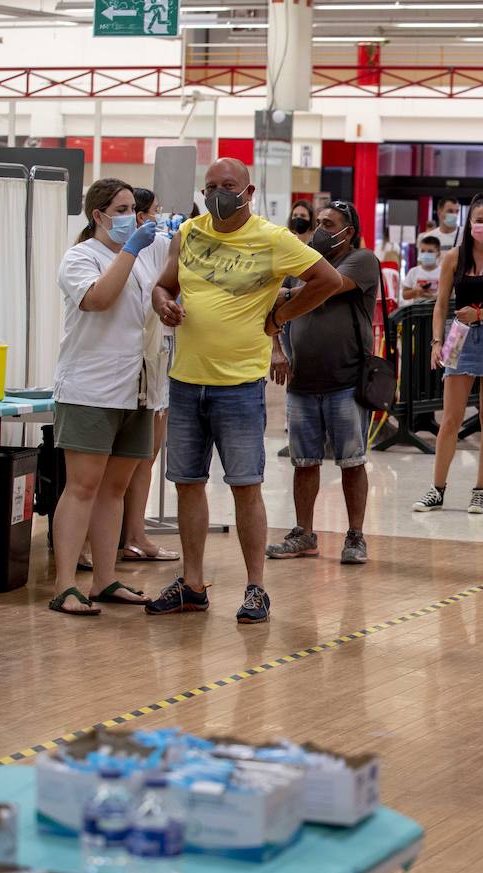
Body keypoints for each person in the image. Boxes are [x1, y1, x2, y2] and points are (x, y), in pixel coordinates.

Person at [147, 158, 343, 624]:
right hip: (186, 379)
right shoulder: (189, 233)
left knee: (244, 486)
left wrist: (279, 318)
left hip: (238, 385)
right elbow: (164, 285)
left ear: (248, 191)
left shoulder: (272, 239)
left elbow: (327, 280)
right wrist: (163, 305)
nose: (218, 193)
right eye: (211, 186)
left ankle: (256, 588)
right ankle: (192, 584)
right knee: (188, 484)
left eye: (228, 186)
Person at [48, 179, 162, 615]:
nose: (131, 216)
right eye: (121, 209)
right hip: (89, 388)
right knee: (83, 487)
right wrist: (132, 248)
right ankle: (64, 585)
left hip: (135, 389)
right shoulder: (80, 258)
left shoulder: (139, 259)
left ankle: (104, 579)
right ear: (98, 216)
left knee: (115, 489)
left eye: (134, 208)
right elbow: (98, 299)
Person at [265, 201, 379, 565]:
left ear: (348, 231)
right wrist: (277, 349)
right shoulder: (298, 262)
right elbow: (270, 311)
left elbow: (328, 286)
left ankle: (355, 536)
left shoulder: (361, 261)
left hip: (346, 380)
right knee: (304, 462)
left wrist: (285, 294)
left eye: (328, 224)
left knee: (352, 461)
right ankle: (304, 534)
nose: (319, 229)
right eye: (318, 222)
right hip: (302, 381)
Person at [414, 195, 483, 513]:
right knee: (450, 419)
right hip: (458, 336)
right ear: (469, 222)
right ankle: (437, 488)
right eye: (480, 219)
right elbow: (441, 302)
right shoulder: (453, 258)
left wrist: (482, 315)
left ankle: (480, 490)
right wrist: (436, 342)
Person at [119, 187, 179, 564]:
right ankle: (109, 539)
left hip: (158, 366)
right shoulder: (121, 256)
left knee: (147, 457)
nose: (159, 220)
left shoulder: (158, 248)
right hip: (128, 370)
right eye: (153, 212)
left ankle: (136, 534)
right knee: (117, 464)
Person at [402, 236, 443, 303]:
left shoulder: (443, 272)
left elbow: (449, 295)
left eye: (430, 251)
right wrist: (415, 292)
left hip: (436, 309)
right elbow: (404, 295)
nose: (426, 254)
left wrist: (435, 297)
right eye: (423, 251)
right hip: (417, 310)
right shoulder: (413, 272)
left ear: (438, 253)